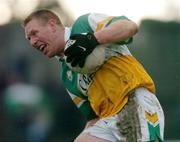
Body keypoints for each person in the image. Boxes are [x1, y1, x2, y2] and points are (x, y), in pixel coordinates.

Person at [23, 9, 165, 142]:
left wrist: (93, 39)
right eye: (28, 39)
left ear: (52, 24)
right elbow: (93, 117)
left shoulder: (83, 25)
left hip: (134, 103)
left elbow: (130, 27)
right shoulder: (67, 77)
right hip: (108, 120)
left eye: (34, 33)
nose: (32, 42)